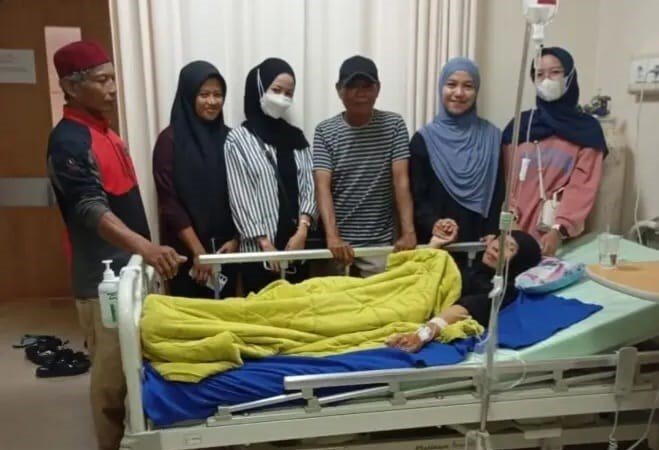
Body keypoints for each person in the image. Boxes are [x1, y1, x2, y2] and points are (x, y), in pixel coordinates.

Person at [46, 41, 185, 450]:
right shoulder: (69, 141)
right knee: (110, 380)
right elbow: (89, 209)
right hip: (101, 282)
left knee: (136, 368)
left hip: (130, 271)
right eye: (101, 80)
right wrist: (147, 248)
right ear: (71, 87)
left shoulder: (105, 133)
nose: (112, 89)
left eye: (113, 79)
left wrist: (143, 255)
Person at [314, 55, 416, 277]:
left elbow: (401, 180)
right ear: (339, 90)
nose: (360, 93)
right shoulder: (325, 131)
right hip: (339, 247)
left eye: (367, 86)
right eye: (352, 86)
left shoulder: (394, 126)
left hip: (380, 245)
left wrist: (408, 232)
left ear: (378, 89)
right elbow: (322, 187)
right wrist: (332, 237)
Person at [502, 47, 607, 256]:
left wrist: (559, 230)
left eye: (555, 72)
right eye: (540, 74)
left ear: (569, 77)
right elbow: (507, 183)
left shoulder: (587, 130)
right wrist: (511, 223)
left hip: (559, 241)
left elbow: (582, 187)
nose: (547, 80)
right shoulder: (520, 126)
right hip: (515, 236)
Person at [225, 58, 317, 294]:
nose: (282, 98)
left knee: (297, 309)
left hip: (297, 249)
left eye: (289, 93)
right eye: (276, 90)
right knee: (262, 311)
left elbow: (308, 185)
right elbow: (240, 197)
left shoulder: (297, 138)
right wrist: (265, 244)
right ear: (259, 89)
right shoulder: (238, 139)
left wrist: (303, 230)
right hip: (258, 253)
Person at [153, 61, 239, 298]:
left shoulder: (231, 139)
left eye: (218, 94)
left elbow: (244, 194)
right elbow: (169, 202)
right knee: (189, 315)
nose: (212, 101)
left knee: (226, 315)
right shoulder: (169, 141)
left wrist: (236, 239)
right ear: (189, 95)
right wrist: (198, 252)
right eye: (204, 94)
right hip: (185, 253)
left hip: (226, 251)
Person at [388, 221, 542, 353]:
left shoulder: (500, 291)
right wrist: (436, 244)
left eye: (509, 248)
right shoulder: (476, 269)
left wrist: (421, 335)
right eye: (499, 240)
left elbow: (461, 309)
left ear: (520, 262)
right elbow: (434, 274)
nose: (497, 247)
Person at [410, 57, 504, 255]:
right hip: (437, 244)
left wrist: (493, 230)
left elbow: (498, 192)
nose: (459, 93)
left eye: (468, 86)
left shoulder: (493, 137)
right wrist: (434, 224)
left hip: (482, 247)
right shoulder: (423, 140)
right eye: (451, 84)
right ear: (441, 88)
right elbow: (417, 197)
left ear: (477, 91)